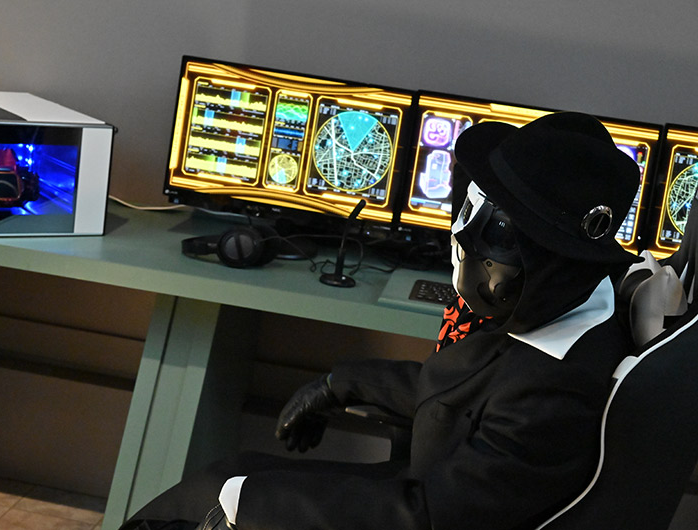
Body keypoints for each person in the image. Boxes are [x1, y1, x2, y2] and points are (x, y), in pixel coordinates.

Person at [120, 111, 642, 530]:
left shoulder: (555, 389)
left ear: (544, 257)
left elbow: (433, 517)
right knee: (225, 476)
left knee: (228, 488)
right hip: (420, 485)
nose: (460, 237)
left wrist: (250, 507)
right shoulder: (565, 308)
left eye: (494, 229)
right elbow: (464, 401)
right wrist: (339, 384)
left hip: (420, 505)